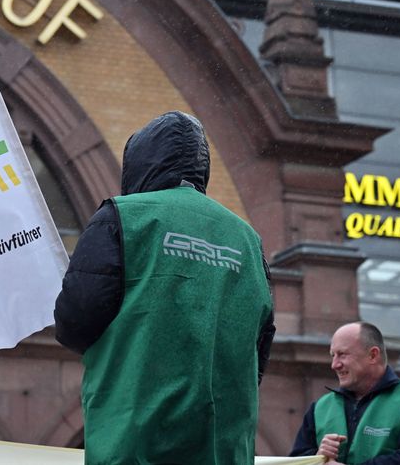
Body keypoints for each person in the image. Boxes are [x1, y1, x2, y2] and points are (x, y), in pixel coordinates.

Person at [53, 111, 275, 464]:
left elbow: (74, 322)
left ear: (140, 164)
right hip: (225, 450)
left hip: (136, 444)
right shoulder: (248, 240)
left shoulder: (123, 218)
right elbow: (259, 350)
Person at [289, 322, 400, 464]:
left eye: (342, 354)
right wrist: (317, 458)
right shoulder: (320, 408)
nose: (334, 365)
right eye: (332, 355)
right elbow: (294, 462)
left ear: (373, 355)